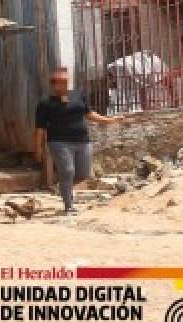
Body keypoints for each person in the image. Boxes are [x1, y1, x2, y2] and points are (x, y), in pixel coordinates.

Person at [34, 67, 124, 213]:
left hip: (83, 141)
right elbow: (40, 128)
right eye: (60, 82)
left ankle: (63, 185)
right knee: (68, 171)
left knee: (83, 174)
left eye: (65, 81)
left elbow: (89, 113)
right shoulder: (45, 103)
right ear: (53, 84)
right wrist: (38, 148)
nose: (63, 84)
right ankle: (68, 205)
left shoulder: (77, 95)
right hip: (59, 142)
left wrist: (110, 120)